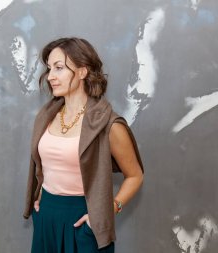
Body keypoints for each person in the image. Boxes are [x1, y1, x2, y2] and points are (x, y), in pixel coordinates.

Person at [23, 37, 144, 253]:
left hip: (84, 220)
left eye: (59, 68)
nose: (50, 76)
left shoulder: (109, 125)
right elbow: (47, 163)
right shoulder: (46, 116)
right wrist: (41, 193)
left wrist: (108, 210)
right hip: (46, 218)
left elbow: (135, 175)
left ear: (82, 71)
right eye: (49, 68)